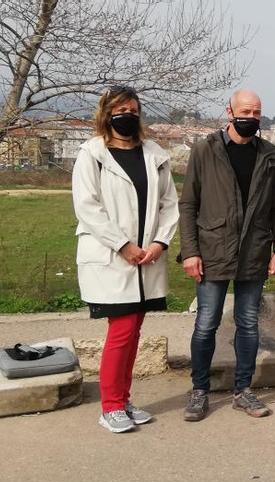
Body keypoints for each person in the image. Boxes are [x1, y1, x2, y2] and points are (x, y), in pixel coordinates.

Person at [72, 85, 179, 433]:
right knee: (121, 330)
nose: (127, 115)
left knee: (133, 331)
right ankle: (111, 406)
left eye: (132, 109)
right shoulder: (92, 153)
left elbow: (169, 205)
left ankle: (123, 399)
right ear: (106, 113)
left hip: (146, 257)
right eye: (120, 109)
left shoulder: (154, 154)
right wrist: (123, 245)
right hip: (112, 256)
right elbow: (87, 207)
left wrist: (160, 243)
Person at [178, 89, 275, 421]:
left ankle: (244, 391)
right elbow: (188, 204)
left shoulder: (269, 154)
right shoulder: (205, 150)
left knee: (248, 324)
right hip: (213, 250)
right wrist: (189, 252)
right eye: (245, 111)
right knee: (206, 323)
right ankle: (200, 391)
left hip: (254, 251)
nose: (251, 118)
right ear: (229, 111)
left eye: (257, 112)